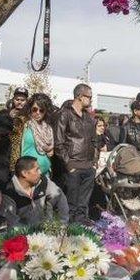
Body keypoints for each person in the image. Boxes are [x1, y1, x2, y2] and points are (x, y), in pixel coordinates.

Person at [54, 84, 97, 224]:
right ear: (79, 96)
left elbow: (94, 141)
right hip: (73, 166)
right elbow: (58, 143)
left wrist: (94, 163)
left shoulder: (89, 118)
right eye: (89, 97)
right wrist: (69, 164)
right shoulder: (64, 115)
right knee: (70, 203)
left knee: (83, 204)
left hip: (88, 166)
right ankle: (68, 231)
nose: (91, 100)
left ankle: (81, 229)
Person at [0, 157, 69, 227]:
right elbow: (12, 224)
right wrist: (31, 235)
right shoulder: (9, 193)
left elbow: (59, 196)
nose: (40, 172)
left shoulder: (43, 181)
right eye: (37, 170)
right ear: (24, 173)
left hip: (46, 232)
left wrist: (62, 224)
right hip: (23, 235)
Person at [17, 93, 55, 177]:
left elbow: (50, 148)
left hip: (46, 174)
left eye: (41, 110)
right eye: (34, 109)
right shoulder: (23, 125)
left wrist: (51, 150)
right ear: (30, 109)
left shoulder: (48, 128)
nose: (38, 113)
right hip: (28, 175)